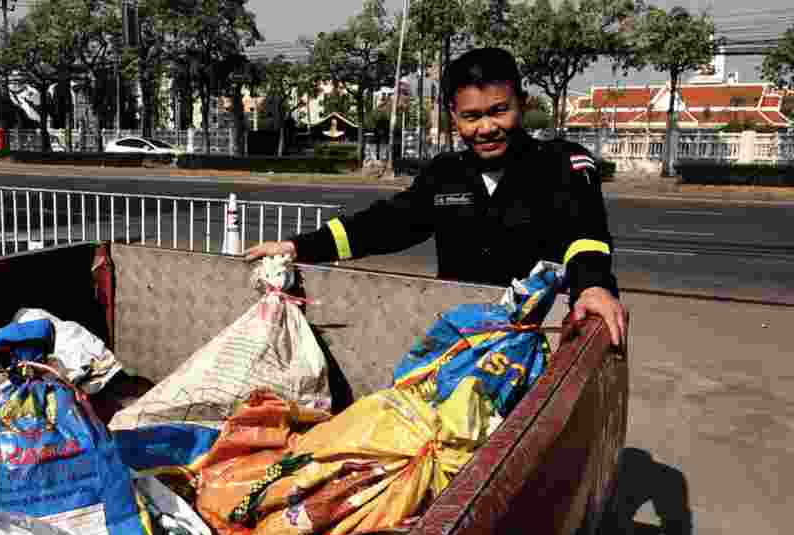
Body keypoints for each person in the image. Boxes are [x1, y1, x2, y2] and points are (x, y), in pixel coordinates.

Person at [244, 47, 628, 347]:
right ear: (453, 115)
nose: (486, 128)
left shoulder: (562, 163)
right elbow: (383, 225)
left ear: (522, 104)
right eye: (472, 116)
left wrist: (592, 285)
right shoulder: (445, 173)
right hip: (461, 342)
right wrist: (296, 247)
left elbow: (587, 232)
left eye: (499, 111)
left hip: (539, 339)